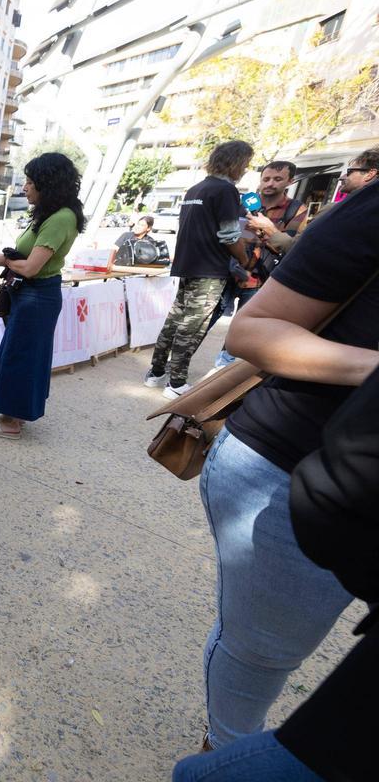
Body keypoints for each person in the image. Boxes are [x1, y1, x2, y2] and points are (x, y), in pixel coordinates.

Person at [192, 176, 379, 754]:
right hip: (293, 469)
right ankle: (225, 754)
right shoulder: (366, 212)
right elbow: (252, 328)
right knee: (264, 649)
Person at [173, 366, 379, 781]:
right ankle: (224, 744)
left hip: (323, 486)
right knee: (260, 652)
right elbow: (254, 331)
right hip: (287, 462)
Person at [0, 152, 84, 439]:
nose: (24, 188)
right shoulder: (50, 214)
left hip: (37, 296)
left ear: (47, 183)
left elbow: (30, 267)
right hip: (30, 296)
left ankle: (11, 422)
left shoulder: (61, 218)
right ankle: (8, 411)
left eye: (30, 182)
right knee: (15, 354)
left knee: (22, 358)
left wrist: (5, 261)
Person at [144, 140, 256, 398]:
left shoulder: (196, 188)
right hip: (210, 270)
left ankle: (156, 372)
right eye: (246, 165)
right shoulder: (226, 191)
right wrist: (243, 259)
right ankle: (175, 383)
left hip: (187, 264)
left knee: (174, 321)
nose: (246, 170)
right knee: (191, 326)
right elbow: (229, 235)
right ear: (236, 163)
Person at [212, 160, 307, 367]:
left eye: (277, 179)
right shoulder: (243, 202)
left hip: (261, 279)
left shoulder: (296, 209)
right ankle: (177, 368)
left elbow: (288, 245)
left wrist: (266, 228)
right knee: (206, 320)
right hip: (227, 273)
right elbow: (227, 235)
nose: (270, 183)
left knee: (242, 330)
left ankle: (222, 368)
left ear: (290, 181)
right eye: (266, 179)